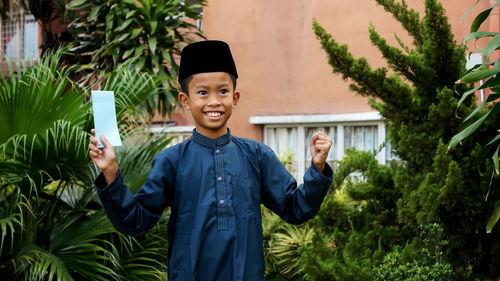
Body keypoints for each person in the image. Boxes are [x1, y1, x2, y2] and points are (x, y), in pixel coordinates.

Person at [89, 40, 333, 281]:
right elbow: (135, 221)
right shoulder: (171, 161)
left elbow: (296, 208)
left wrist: (318, 168)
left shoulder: (257, 156)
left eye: (223, 91)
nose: (214, 101)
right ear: (186, 100)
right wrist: (110, 171)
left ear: (235, 98)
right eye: (203, 92)